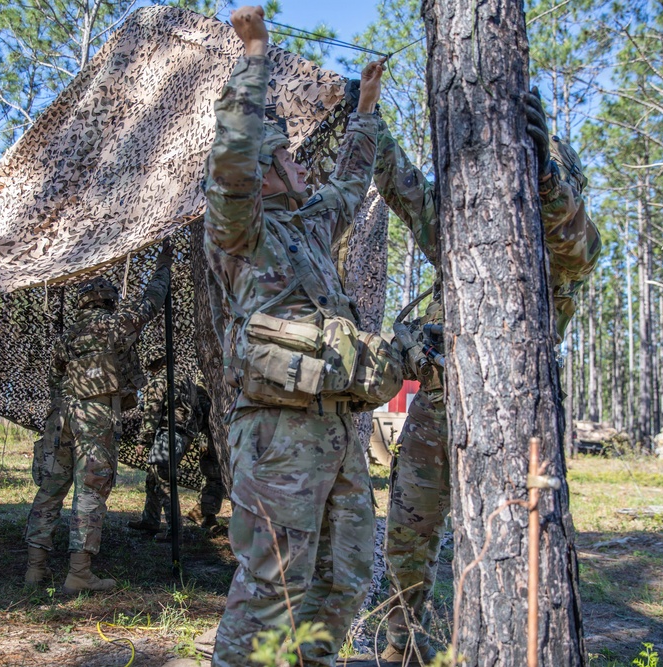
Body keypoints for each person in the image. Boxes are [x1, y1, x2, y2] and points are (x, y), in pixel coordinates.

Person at [370, 86, 602, 662]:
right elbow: (406, 191)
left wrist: (545, 172)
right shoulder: (473, 236)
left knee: (510, 552)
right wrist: (368, 124)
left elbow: (572, 233)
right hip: (438, 411)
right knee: (406, 541)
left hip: (510, 422)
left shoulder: (567, 248)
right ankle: (401, 649)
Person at [202, 6, 387, 665]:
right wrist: (253, 58)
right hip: (279, 442)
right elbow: (230, 163)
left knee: (342, 578)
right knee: (271, 589)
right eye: (286, 156)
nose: (302, 165)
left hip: (336, 440)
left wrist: (366, 107)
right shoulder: (241, 233)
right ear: (264, 167)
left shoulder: (308, 226)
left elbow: (351, 180)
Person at [23, 243, 172, 594]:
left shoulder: (68, 337)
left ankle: (35, 569)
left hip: (61, 417)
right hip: (95, 412)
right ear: (108, 301)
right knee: (90, 488)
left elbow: (53, 379)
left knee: (51, 488)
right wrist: (163, 265)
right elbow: (151, 300)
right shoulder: (116, 325)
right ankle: (78, 573)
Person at [127, 361, 216, 540]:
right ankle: (150, 520)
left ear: (152, 364)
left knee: (164, 481)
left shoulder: (160, 380)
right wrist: (190, 436)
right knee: (153, 479)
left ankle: (174, 532)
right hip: (182, 435)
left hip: (167, 434)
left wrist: (143, 439)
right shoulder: (187, 381)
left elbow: (152, 411)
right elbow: (198, 410)